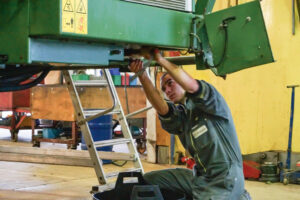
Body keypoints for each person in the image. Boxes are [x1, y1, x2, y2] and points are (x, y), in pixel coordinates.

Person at [129, 50, 251, 200]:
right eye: (164, 89)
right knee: (149, 180)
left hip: (226, 180)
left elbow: (193, 87)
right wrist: (142, 74)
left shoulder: (212, 102)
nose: (167, 90)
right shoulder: (183, 116)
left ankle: (238, 197)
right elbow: (163, 110)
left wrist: (160, 59)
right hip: (200, 178)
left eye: (170, 83)